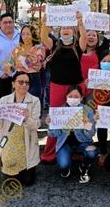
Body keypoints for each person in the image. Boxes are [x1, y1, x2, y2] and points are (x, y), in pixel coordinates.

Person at [40, 12, 87, 162]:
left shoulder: (78, 45)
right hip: (57, 87)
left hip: (75, 87)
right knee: (56, 119)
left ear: (73, 30)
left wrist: (80, 23)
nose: (66, 30)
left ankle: (75, 149)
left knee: (75, 119)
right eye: (63, 28)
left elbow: (85, 38)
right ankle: (50, 152)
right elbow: (43, 37)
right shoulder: (54, 44)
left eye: (69, 27)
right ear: (59, 31)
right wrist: (45, 22)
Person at [0, 72, 41, 186]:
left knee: (27, 182)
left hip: (26, 139)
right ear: (13, 84)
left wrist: (27, 118)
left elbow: (36, 125)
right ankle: (7, 165)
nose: (24, 85)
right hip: (8, 139)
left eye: (27, 83)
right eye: (20, 82)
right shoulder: (4, 100)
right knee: (10, 183)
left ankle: (29, 168)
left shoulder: (35, 101)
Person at [46, 85, 97, 183]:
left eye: (76, 97)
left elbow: (91, 135)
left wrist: (86, 124)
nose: (73, 99)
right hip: (65, 144)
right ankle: (66, 166)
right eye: (71, 96)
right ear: (66, 97)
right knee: (63, 166)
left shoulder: (88, 110)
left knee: (92, 152)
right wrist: (50, 124)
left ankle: (84, 166)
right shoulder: (59, 111)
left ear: (81, 98)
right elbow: (53, 134)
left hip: (83, 142)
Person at [0, 13, 21, 104]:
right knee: (2, 103)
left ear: (14, 23)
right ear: (0, 24)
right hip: (1, 76)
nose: (8, 24)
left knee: (19, 103)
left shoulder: (22, 36)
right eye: (5, 22)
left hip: (20, 75)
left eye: (10, 22)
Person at [12, 25, 46, 98]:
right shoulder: (17, 48)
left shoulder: (39, 48)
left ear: (33, 35)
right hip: (19, 78)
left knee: (34, 104)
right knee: (20, 105)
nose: (25, 36)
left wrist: (23, 58)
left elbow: (34, 63)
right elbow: (14, 65)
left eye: (28, 34)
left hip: (34, 79)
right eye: (23, 34)